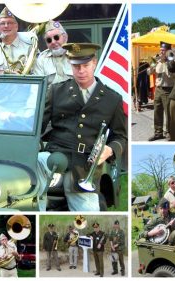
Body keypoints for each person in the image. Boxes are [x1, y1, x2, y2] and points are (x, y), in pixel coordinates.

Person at [37, 42, 127, 211]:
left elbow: (121, 136)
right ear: (70, 65)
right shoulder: (56, 91)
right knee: (31, 188)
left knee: (89, 214)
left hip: (85, 165)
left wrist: (110, 150)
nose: (81, 71)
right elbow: (38, 126)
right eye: (76, 66)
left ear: (94, 63)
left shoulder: (112, 99)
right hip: (54, 156)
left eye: (85, 65)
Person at [0, 7, 30, 74]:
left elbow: (39, 74)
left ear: (16, 26)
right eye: (2, 23)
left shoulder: (30, 48)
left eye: (10, 23)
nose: (6, 26)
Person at [147, 42, 175, 141]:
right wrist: (153, 63)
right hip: (158, 89)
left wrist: (166, 62)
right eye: (160, 49)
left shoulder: (172, 61)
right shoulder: (158, 61)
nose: (161, 51)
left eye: (163, 50)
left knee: (168, 113)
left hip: (168, 89)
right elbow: (149, 72)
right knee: (157, 111)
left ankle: (169, 132)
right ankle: (158, 132)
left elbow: (172, 75)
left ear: (168, 51)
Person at [33, 20, 73, 86]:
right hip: (49, 95)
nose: (53, 42)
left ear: (65, 38)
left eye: (56, 37)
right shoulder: (41, 59)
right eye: (49, 40)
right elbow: (37, 87)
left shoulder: (76, 55)